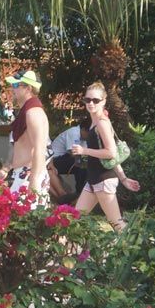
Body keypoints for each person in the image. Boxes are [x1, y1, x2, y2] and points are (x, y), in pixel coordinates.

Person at [71, 82, 140, 232]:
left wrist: (84, 151)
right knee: (75, 219)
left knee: (117, 223)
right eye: (87, 100)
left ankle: (139, 249)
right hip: (94, 180)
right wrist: (123, 178)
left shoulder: (102, 123)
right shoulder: (95, 122)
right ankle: (70, 252)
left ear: (103, 101)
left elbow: (111, 153)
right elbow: (112, 158)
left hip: (103, 180)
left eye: (95, 100)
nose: (90, 103)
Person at [0, 70, 53, 207]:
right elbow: (18, 144)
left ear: (28, 88)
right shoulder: (27, 111)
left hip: (29, 176)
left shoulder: (33, 113)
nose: (12, 89)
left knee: (25, 224)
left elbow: (40, 148)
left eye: (15, 86)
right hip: (22, 174)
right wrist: (6, 169)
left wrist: (34, 182)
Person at [47, 118, 89, 204]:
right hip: (55, 159)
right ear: (84, 129)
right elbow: (73, 153)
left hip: (66, 160)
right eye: (89, 134)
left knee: (82, 166)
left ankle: (79, 193)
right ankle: (76, 194)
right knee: (79, 163)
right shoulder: (74, 132)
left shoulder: (84, 138)